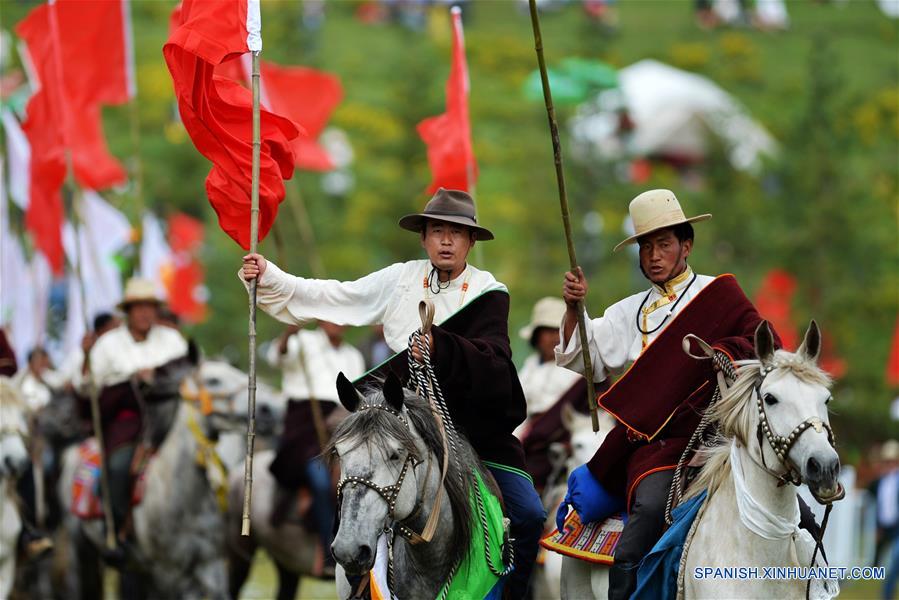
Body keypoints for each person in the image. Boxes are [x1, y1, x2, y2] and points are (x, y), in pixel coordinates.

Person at [241, 187, 545, 598]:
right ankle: (355, 585)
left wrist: (442, 346)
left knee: (528, 514)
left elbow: (495, 362)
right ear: (424, 237)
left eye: (456, 233)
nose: (446, 240)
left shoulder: (489, 290)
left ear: (471, 241)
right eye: (437, 230)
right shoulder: (399, 278)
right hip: (400, 423)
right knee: (358, 486)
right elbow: (337, 295)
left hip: (472, 429)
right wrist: (271, 276)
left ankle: (511, 595)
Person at [555, 189, 817, 599]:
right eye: (646, 247)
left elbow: (767, 346)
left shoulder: (720, 295)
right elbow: (584, 357)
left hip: (721, 439)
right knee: (646, 516)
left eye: (664, 244)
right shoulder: (630, 312)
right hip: (657, 449)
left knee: (802, 518)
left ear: (686, 246)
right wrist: (574, 308)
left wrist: (725, 353)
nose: (654, 255)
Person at [86, 278, 188, 556]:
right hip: (127, 422)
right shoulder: (107, 344)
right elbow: (91, 386)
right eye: (138, 307)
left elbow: (187, 373)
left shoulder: (172, 340)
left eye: (150, 307)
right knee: (118, 467)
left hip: (169, 419)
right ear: (128, 311)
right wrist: (128, 379)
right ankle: (117, 531)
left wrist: (157, 377)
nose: (144, 313)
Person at [266, 320, 365, 573]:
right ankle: (331, 555)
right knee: (321, 482)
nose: (337, 322)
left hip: (341, 426)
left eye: (343, 316)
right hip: (304, 427)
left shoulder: (353, 355)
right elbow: (276, 358)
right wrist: (289, 333)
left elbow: (357, 396)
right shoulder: (304, 340)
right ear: (321, 319)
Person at [514, 297, 587, 495]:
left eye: (559, 330)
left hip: (562, 444)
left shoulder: (580, 369)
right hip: (527, 441)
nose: (554, 337)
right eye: (548, 331)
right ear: (537, 336)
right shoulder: (528, 369)